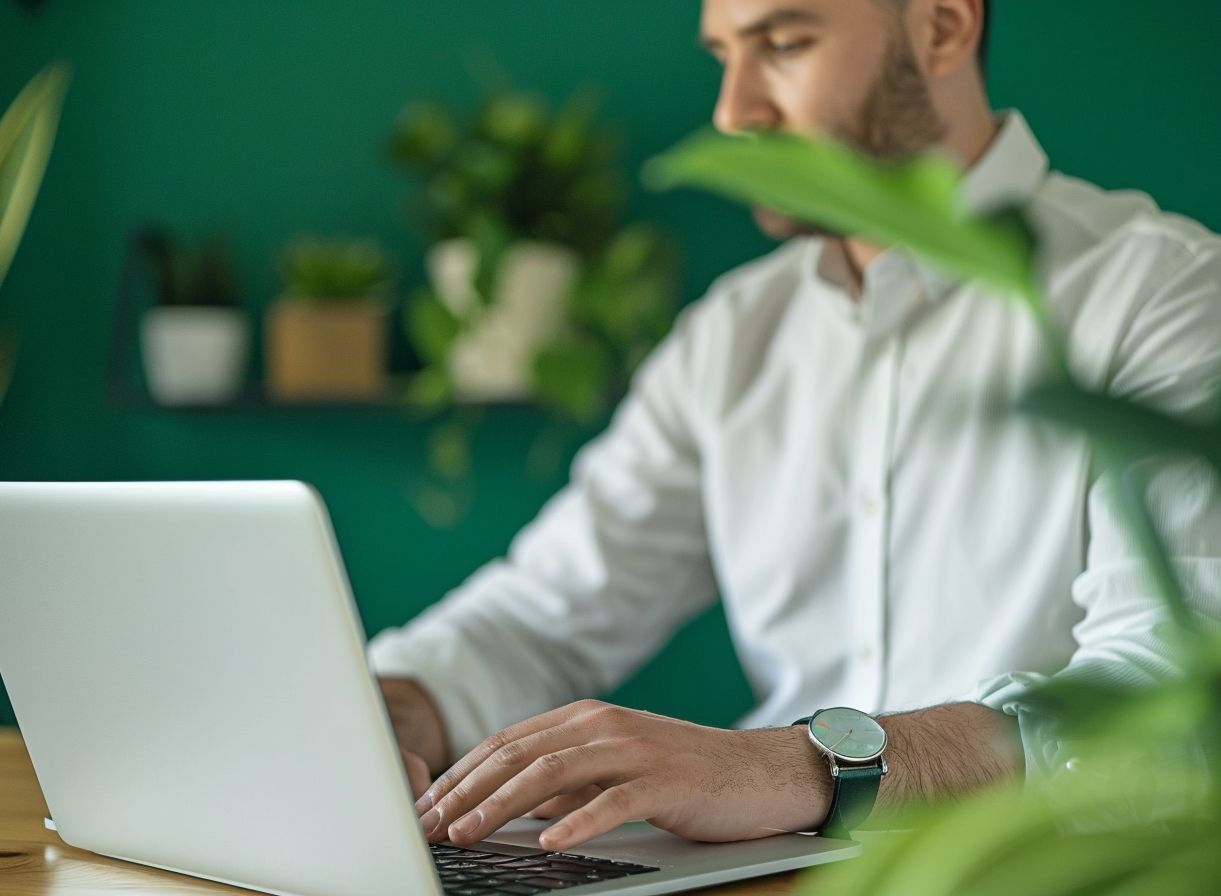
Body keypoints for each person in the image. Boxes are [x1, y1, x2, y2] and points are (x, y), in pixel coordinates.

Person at [369, 0, 1221, 853]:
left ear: (944, 27)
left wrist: (799, 769)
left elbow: (1170, 699)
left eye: (783, 43)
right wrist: (397, 708)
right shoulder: (733, 334)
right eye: (723, 55)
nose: (734, 113)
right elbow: (544, 614)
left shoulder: (1167, 296)